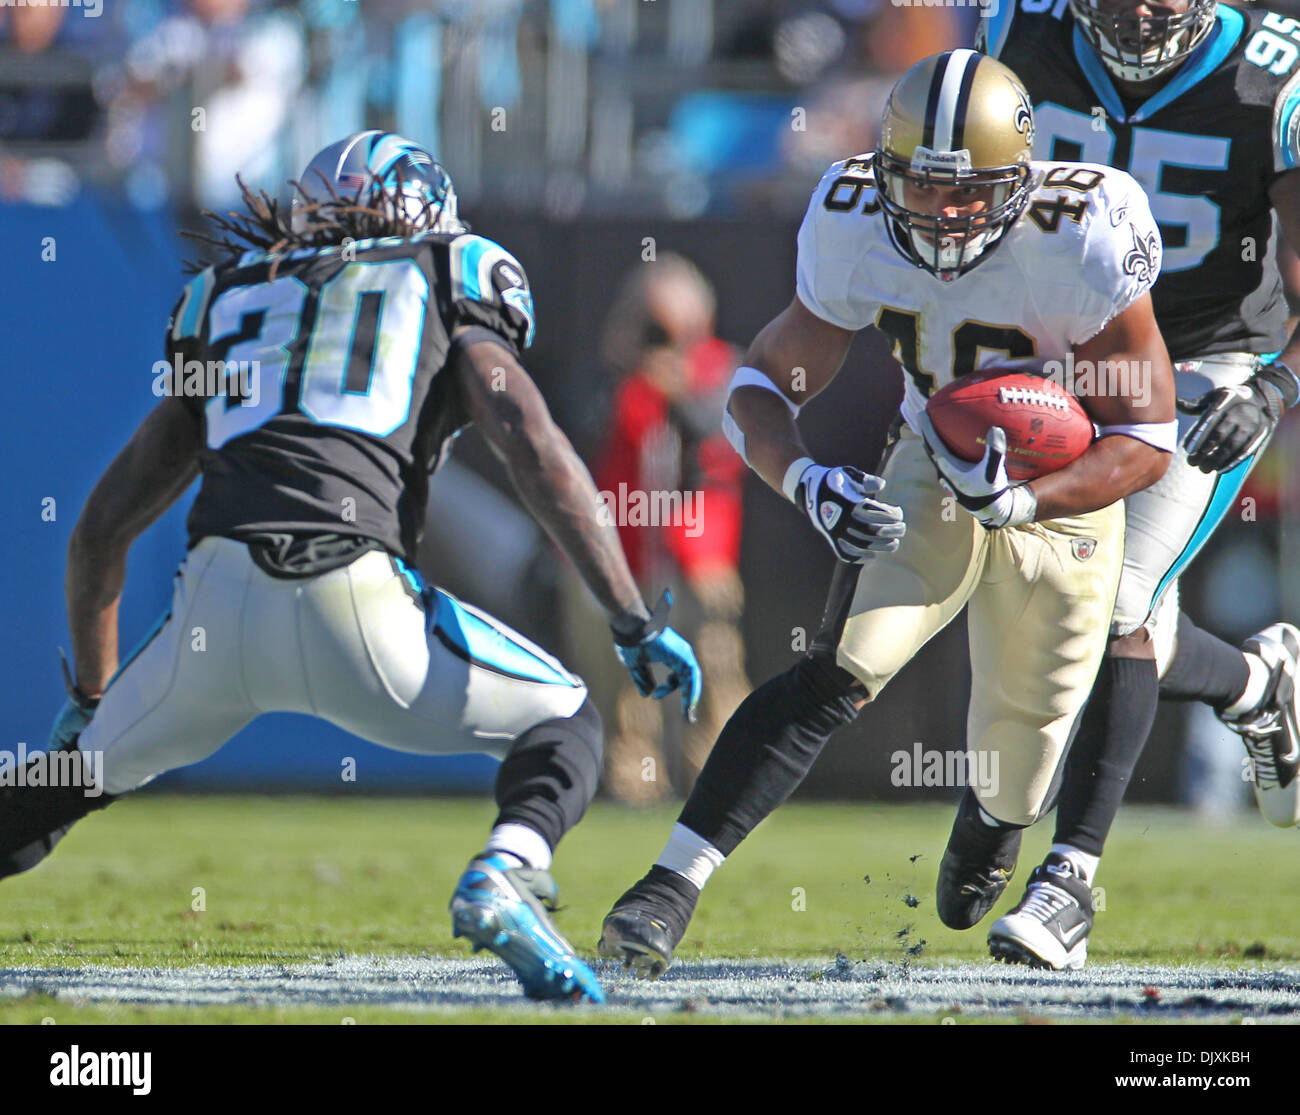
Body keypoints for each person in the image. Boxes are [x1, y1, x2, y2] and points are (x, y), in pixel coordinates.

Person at [1, 131, 702, 1005]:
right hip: (361, 607)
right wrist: (631, 616)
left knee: (65, 785)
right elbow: (535, 446)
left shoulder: (226, 299)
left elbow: (101, 531)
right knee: (566, 718)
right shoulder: (447, 274)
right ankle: (505, 871)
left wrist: (93, 705)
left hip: (214, 613)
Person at [598, 49, 1174, 979]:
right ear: (885, 169)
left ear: (1017, 184)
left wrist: (1027, 495)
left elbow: (1147, 436)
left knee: (1022, 755)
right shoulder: (852, 214)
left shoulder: (1085, 231)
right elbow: (758, 386)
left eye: (968, 192)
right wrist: (807, 482)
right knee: (844, 663)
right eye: (920, 185)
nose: (943, 215)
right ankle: (668, 885)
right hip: (934, 462)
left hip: (1067, 489)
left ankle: (994, 821)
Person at [976, 0, 1300, 970]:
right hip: (1064, 361)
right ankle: (1258, 681)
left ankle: (1068, 880)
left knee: (1118, 598)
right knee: (1043, 596)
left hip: (1206, 367)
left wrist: (1279, 381)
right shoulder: (1015, 32)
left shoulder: (1270, 74)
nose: (1143, 6)